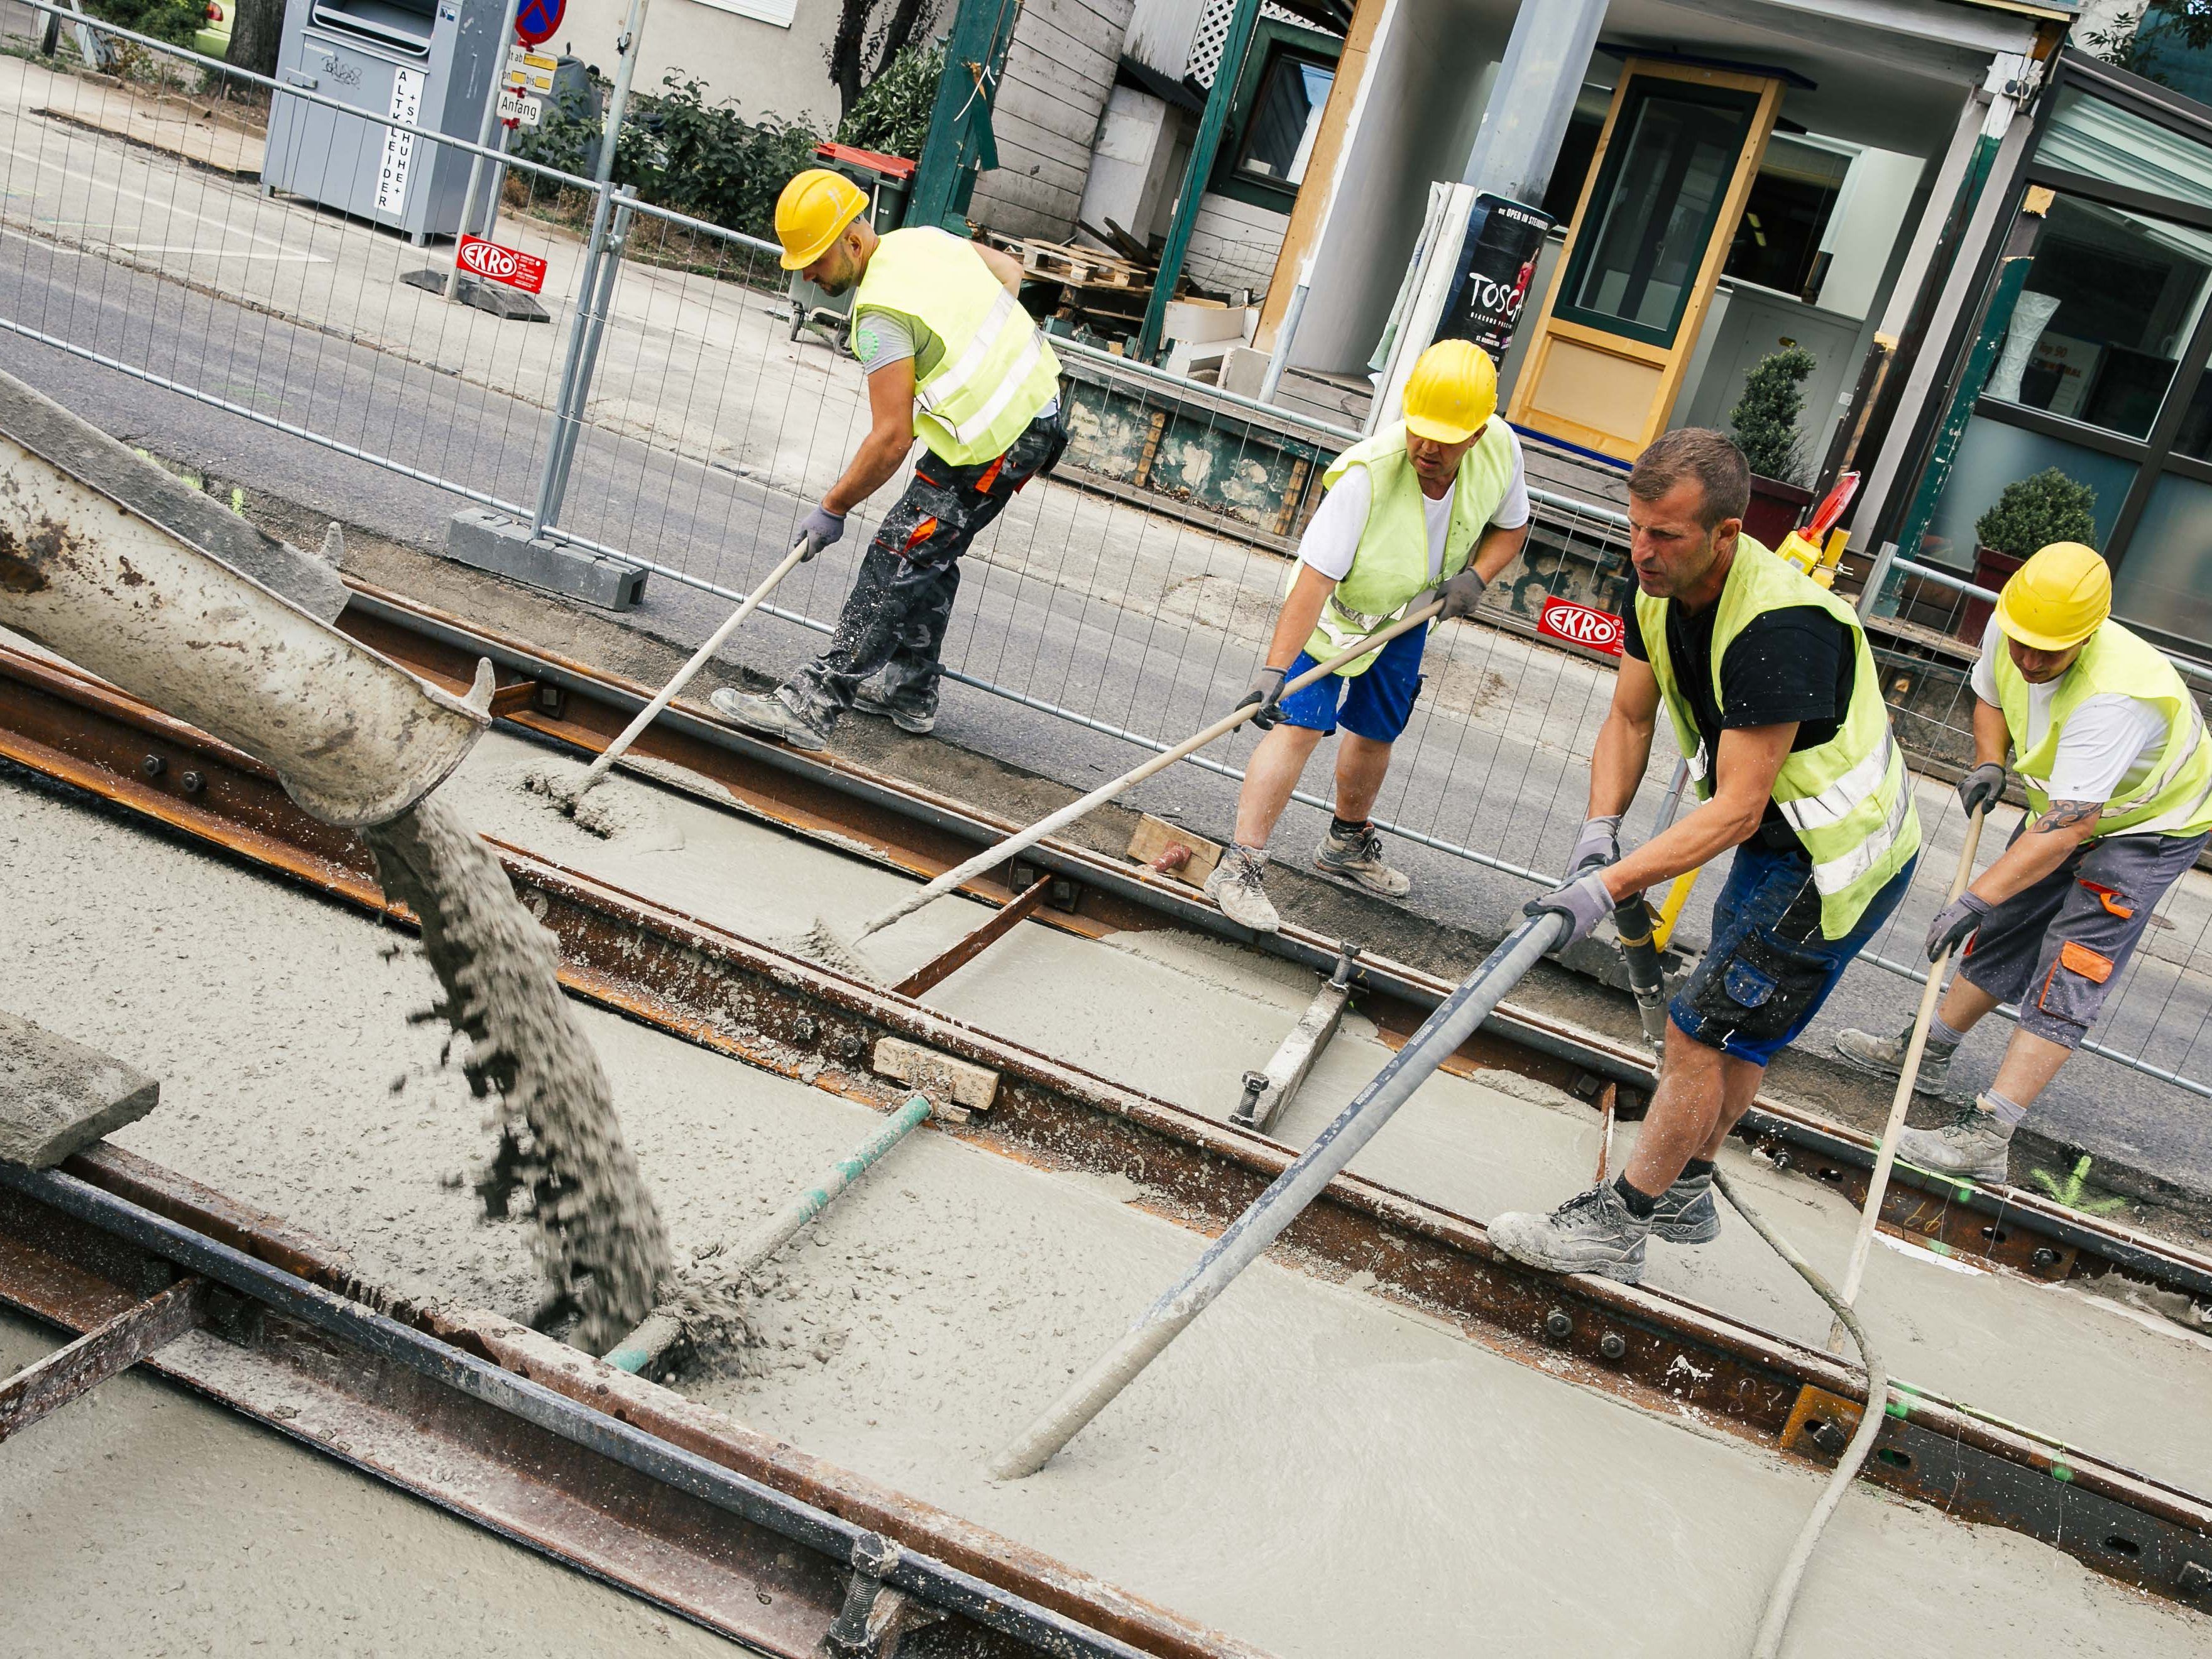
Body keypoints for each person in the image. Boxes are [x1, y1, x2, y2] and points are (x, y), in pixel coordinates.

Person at [1487, 429, 1920, 1283]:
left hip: (1832, 862)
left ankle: (1623, 1221)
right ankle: (1686, 1182)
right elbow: (1631, 717)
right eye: (1636, 527)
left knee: (1699, 1031)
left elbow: (1736, 805)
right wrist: (1598, 829)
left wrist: (1606, 888)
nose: (1641, 551)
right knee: (1739, 1036)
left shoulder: (1779, 626)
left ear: (1726, 534)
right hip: (1776, 843)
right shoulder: (1655, 583)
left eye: (1666, 536)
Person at [1836, 542, 2211, 1183]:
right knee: (2007, 923)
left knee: (2072, 962)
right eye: (2022, 645)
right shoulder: (2017, 627)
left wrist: (1972, 897)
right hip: (2067, 811)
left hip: (2149, 826)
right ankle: (1925, 1055)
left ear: (2087, 636)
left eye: (2050, 652)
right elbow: (1990, 696)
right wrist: (1989, 759)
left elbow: (2071, 831)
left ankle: (1990, 1132)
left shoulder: (2112, 699)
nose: (2031, 661)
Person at [714, 168, 1065, 750]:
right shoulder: (924, 240)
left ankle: (813, 703)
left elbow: (891, 439)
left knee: (900, 551)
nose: (807, 273)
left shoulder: (878, 315)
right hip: (1035, 416)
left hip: (995, 443)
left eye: (817, 261)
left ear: (853, 241)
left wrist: (833, 507)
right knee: (930, 548)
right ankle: (911, 690)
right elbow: (1009, 272)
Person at [1202, 339, 1532, 933]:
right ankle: (1239, 867)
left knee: (1377, 728)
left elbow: (1513, 528)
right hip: (1337, 615)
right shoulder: (1366, 478)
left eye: (1446, 437)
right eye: (1419, 429)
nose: (1427, 448)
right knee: (1297, 725)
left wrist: (1477, 578)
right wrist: (1275, 671)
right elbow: (1314, 582)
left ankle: (1346, 844)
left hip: (1407, 613)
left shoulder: (1501, 452)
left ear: (1479, 432)